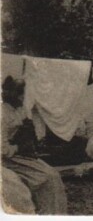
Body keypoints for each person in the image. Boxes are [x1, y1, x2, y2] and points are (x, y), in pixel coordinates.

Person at [1, 77, 67, 214]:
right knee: (20, 188)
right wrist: (19, 147)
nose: (24, 98)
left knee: (52, 176)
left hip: (17, 156)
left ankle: (54, 214)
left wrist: (29, 140)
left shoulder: (20, 110)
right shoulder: (3, 114)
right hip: (6, 159)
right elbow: (3, 149)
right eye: (22, 94)